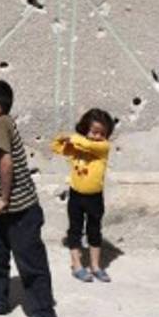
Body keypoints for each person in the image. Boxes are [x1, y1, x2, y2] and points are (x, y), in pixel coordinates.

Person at [0, 80, 58, 317]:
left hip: (22, 211)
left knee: (31, 264)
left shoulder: (0, 124)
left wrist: (4, 198)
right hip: (4, 210)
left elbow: (6, 164)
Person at [52, 108, 115, 283]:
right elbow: (56, 147)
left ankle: (95, 266)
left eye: (102, 133)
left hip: (94, 197)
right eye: (94, 131)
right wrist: (62, 138)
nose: (97, 136)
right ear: (85, 128)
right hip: (76, 195)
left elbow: (90, 145)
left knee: (94, 231)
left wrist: (74, 138)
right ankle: (77, 265)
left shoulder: (103, 147)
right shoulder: (76, 146)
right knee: (75, 230)